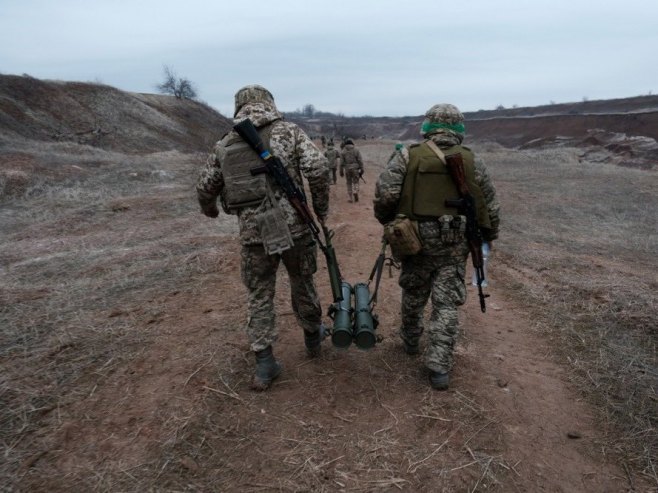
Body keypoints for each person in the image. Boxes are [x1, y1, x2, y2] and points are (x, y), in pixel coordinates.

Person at [196, 84, 330, 391]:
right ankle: (313, 337)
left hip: (254, 234)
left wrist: (211, 211)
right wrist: (320, 209)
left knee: (259, 294)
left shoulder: (227, 141)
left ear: (238, 106)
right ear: (269, 103)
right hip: (295, 228)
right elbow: (318, 167)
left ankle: (265, 363)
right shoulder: (290, 132)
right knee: (303, 281)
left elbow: (205, 187)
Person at [373, 103, 500, 390]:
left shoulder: (408, 155)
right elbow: (490, 206)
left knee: (414, 290)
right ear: (460, 130)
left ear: (427, 127)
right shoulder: (472, 160)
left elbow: (385, 195)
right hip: (454, 242)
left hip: (414, 238)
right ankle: (439, 367)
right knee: (446, 303)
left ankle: (411, 341)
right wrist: (489, 237)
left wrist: (391, 224)